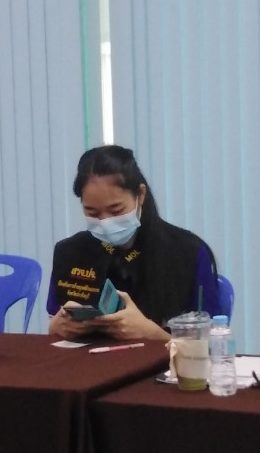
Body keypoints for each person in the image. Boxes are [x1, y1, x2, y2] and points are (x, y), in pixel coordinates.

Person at [47, 144, 221, 343]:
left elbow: (209, 348)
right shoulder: (69, 252)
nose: (105, 222)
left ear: (140, 195)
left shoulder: (187, 253)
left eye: (116, 210)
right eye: (92, 212)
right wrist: (56, 327)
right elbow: (54, 325)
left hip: (163, 362)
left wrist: (152, 334)